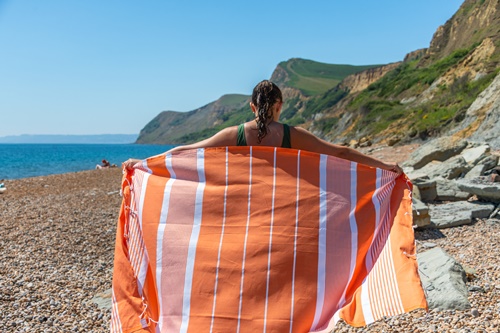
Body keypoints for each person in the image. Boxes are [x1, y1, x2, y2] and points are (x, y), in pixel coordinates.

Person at [123, 80, 403, 175]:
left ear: (252, 106)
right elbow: (340, 153)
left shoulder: (235, 134)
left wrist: (143, 163)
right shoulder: (293, 135)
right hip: (285, 215)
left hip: (241, 215)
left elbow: (187, 152)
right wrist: (385, 165)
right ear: (280, 105)